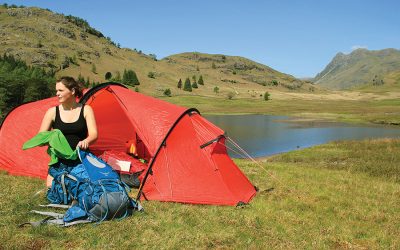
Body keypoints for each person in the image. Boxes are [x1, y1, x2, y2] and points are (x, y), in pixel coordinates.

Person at [39, 76, 98, 187]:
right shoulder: (52, 112)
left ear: (72, 91)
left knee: (81, 192)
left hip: (80, 158)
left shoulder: (86, 109)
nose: (57, 93)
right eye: (56, 90)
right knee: (52, 190)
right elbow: (41, 137)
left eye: (60, 90)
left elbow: (94, 134)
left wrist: (86, 141)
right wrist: (51, 140)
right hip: (59, 161)